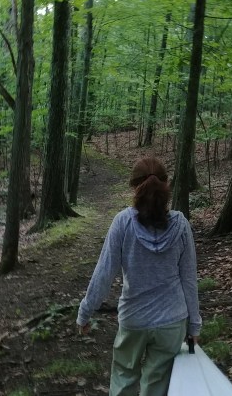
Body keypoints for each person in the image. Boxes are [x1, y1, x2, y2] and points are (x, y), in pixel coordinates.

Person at [76, 156, 202, 396]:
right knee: (156, 386)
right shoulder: (181, 226)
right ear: (166, 185)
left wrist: (85, 312)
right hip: (172, 322)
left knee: (123, 379)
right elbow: (188, 279)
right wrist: (194, 325)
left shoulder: (122, 223)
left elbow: (104, 273)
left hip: (134, 319)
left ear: (134, 187)